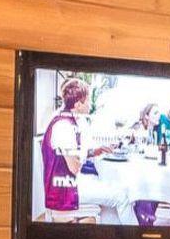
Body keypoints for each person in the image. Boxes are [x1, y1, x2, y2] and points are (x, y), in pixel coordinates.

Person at [39, 77, 123, 218]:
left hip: (69, 183)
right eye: (88, 100)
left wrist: (97, 151)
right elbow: (74, 167)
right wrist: (83, 155)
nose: (91, 104)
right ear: (78, 104)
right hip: (66, 190)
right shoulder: (64, 126)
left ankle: (113, 230)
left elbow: (74, 156)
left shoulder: (70, 121)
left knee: (111, 190)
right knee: (122, 196)